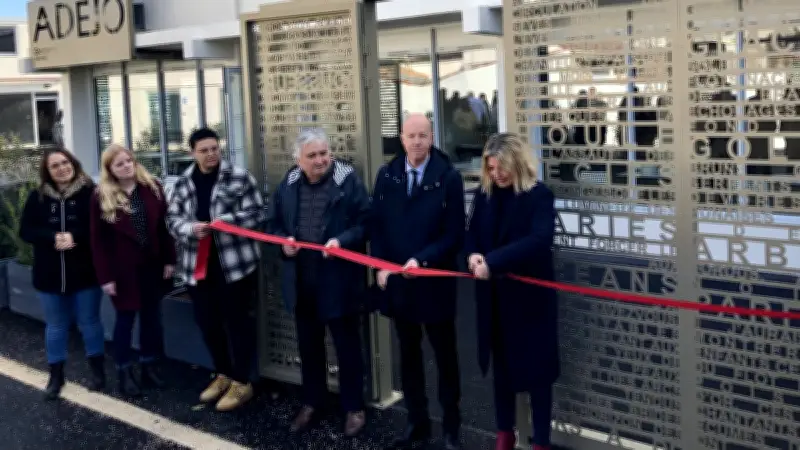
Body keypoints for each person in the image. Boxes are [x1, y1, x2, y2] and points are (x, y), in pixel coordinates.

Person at [265, 128, 370, 436]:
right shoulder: (289, 184)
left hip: (339, 282)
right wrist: (282, 242)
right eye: (312, 156)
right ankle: (312, 402)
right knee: (309, 349)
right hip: (302, 282)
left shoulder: (347, 181)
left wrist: (343, 240)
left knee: (347, 349)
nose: (320, 160)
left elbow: (366, 222)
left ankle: (354, 408)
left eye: (324, 153)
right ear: (298, 160)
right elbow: (272, 224)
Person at [370, 113, 466, 450]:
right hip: (399, 284)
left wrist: (422, 259)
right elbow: (376, 225)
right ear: (401, 137)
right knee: (408, 357)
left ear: (432, 136)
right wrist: (380, 265)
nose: (417, 142)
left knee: (445, 359)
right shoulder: (388, 176)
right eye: (411, 136)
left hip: (433, 283)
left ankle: (451, 428)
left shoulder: (448, 177)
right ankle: (417, 423)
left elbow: (454, 233)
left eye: (423, 135)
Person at [464, 133, 558, 450]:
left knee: (538, 376)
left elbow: (539, 240)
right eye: (491, 168)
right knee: (501, 371)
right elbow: (471, 234)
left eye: (501, 168)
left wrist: (493, 261)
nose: (496, 175)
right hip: (495, 301)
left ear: (517, 164)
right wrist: (473, 255)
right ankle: (505, 434)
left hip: (530, 305)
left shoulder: (539, 196)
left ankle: (541, 441)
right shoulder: (484, 194)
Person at [166, 127, 265, 411]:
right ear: (192, 153)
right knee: (208, 323)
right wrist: (190, 228)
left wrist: (226, 221)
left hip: (234, 266)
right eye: (204, 150)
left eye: (215, 148)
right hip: (197, 267)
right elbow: (171, 219)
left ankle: (242, 381)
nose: (211, 155)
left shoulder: (239, 177)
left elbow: (258, 213)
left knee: (238, 324)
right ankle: (222, 373)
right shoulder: (183, 183)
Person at [90, 145, 176, 397]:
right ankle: (124, 371)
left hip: (152, 265)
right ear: (110, 170)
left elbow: (164, 228)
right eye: (119, 164)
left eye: (129, 161)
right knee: (125, 321)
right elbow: (98, 242)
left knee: (152, 319)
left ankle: (149, 366)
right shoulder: (101, 197)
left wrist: (170, 260)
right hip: (122, 271)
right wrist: (105, 277)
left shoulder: (152, 189)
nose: (127, 166)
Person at [20, 148, 105, 400]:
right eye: (55, 165)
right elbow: (26, 231)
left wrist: (74, 236)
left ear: (73, 163)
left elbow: (100, 226)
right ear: (48, 171)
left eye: (65, 162)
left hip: (85, 272)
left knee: (90, 322)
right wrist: (52, 238)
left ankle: (98, 372)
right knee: (56, 325)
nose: (62, 168)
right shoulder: (37, 198)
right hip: (49, 273)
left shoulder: (91, 193)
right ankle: (56, 375)